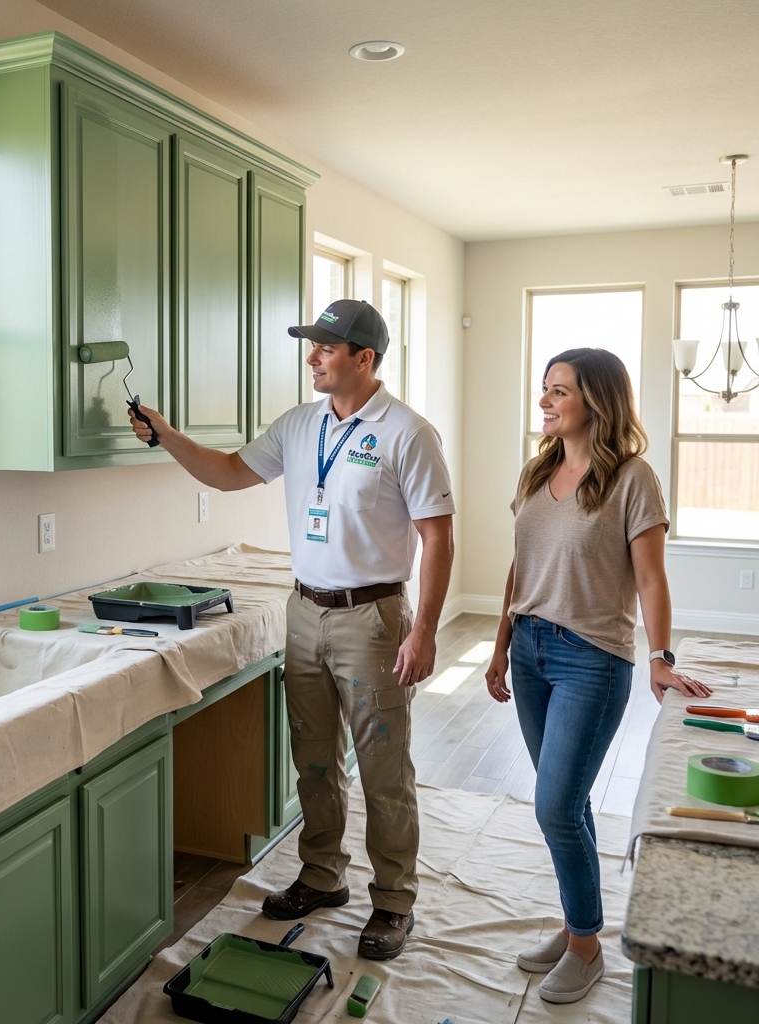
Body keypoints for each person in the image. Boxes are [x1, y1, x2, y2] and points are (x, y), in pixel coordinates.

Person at [128, 298, 455, 960]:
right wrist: (165, 435)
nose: (312, 356)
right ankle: (322, 874)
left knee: (383, 769)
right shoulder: (299, 425)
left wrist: (423, 632)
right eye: (312, 345)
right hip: (303, 611)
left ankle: (394, 900)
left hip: (374, 618)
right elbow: (226, 473)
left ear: (365, 359)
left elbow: (438, 537)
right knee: (312, 759)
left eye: (326, 348)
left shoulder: (407, 432)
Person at [484, 348, 712, 1003]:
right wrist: (499, 647)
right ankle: (575, 925)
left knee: (554, 804)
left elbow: (650, 577)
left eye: (559, 392)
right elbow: (518, 567)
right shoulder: (539, 471)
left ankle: (587, 950)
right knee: (568, 803)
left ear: (598, 402)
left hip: (592, 659)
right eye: (545, 390)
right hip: (528, 651)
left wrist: (662, 656)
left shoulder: (633, 478)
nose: (545, 401)